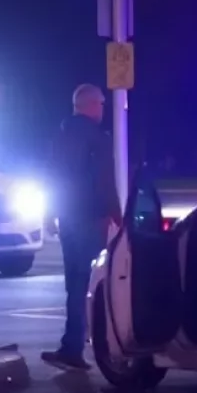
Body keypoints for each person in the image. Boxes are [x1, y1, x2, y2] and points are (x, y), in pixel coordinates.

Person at [41, 84, 122, 371]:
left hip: (68, 217)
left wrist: (49, 213)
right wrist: (116, 213)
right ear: (90, 105)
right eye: (101, 104)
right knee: (91, 281)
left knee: (74, 282)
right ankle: (90, 345)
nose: (103, 108)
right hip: (91, 216)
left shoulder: (60, 135)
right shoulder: (98, 138)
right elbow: (104, 180)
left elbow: (51, 176)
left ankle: (71, 345)